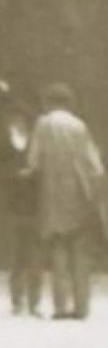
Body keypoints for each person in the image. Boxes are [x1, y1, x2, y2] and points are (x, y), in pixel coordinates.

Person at [27, 84, 105, 321]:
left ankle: (61, 306)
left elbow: (33, 161)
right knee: (79, 251)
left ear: (49, 102)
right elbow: (95, 165)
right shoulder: (79, 126)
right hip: (78, 194)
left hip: (52, 193)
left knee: (58, 247)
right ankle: (82, 306)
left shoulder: (44, 124)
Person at [0, 84, 41, 315]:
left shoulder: (31, 130)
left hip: (29, 200)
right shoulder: (7, 136)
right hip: (15, 200)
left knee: (30, 252)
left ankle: (31, 301)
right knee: (18, 252)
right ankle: (19, 300)